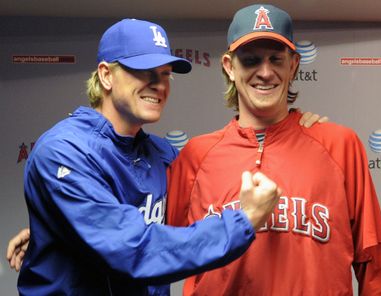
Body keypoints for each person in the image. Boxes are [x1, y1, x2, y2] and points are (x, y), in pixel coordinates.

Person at [6, 16, 326, 294]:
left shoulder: (163, 155)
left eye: (164, 73)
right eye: (142, 71)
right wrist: (241, 222)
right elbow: (134, 250)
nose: (157, 84)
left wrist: (294, 129)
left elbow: (217, 187)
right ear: (105, 75)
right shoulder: (64, 151)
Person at [166, 4, 381, 296]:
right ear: (229, 66)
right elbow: (158, 254)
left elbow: (373, 265)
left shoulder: (340, 146)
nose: (265, 72)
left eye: (276, 59)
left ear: (293, 65)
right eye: (250, 60)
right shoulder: (195, 156)